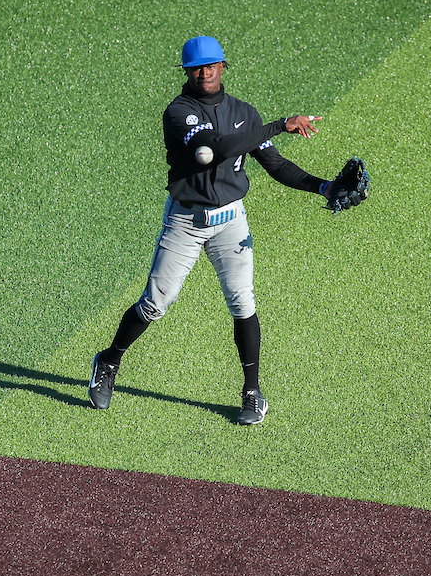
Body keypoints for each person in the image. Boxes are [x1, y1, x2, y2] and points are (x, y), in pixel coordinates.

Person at [88, 35, 333, 425]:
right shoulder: (179, 111)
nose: (204, 73)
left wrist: (323, 186)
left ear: (223, 67)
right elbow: (215, 146)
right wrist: (280, 124)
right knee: (155, 304)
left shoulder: (244, 113)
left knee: (242, 302)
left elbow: (275, 164)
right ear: (187, 72)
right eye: (196, 68)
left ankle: (252, 392)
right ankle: (109, 360)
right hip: (186, 221)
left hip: (231, 221)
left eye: (210, 66)